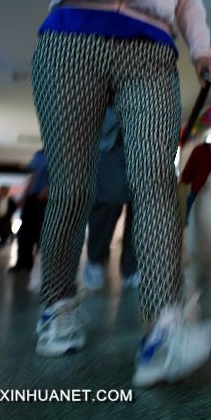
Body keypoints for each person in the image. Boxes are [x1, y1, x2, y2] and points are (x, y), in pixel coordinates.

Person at [12, 0, 211, 386]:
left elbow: (191, 5)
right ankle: (59, 308)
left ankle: (165, 325)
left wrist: (203, 51)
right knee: (71, 184)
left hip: (151, 54)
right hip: (71, 42)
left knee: (157, 179)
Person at [83, 107, 139, 290]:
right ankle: (95, 258)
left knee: (140, 209)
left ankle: (132, 269)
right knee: (109, 202)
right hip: (112, 145)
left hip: (143, 147)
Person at [9, 150, 49, 273]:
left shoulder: (60, 154)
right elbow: (33, 177)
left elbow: (61, 175)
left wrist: (49, 188)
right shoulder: (40, 154)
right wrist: (24, 195)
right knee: (24, 232)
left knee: (41, 232)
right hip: (33, 197)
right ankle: (23, 262)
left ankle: (50, 267)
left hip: (46, 199)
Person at [179, 128, 211, 216]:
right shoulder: (200, 150)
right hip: (198, 194)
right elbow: (189, 168)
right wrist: (183, 182)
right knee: (192, 219)